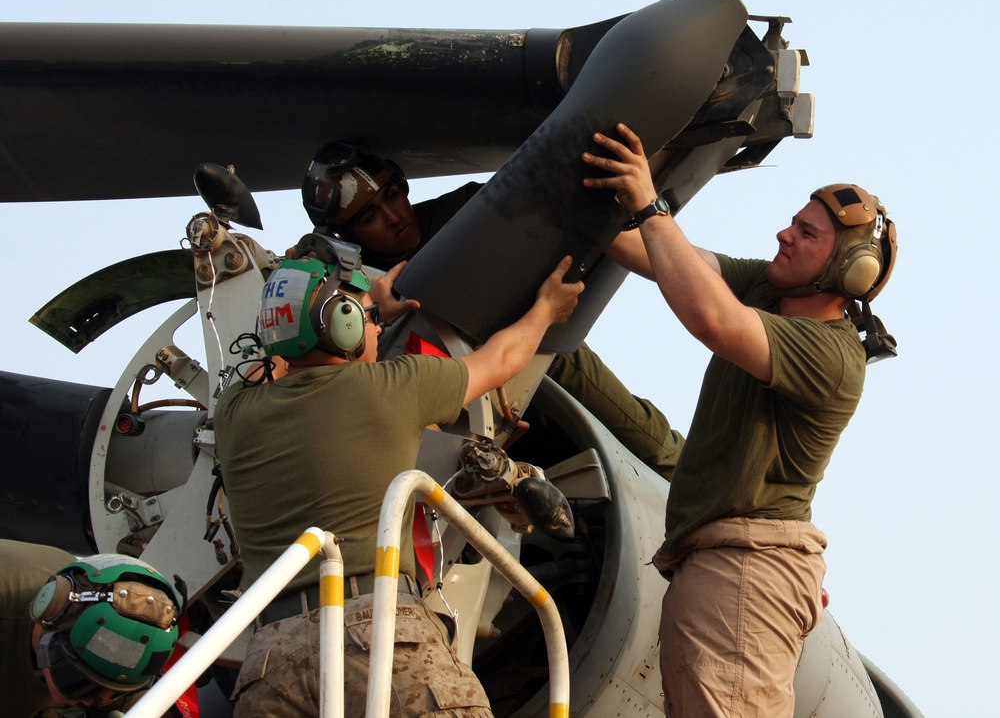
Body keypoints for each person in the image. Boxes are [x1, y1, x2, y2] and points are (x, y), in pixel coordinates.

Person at [580, 123, 897, 716]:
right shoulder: (768, 287)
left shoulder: (831, 354)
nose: (784, 234)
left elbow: (713, 320)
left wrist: (650, 204)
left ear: (848, 270)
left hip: (747, 572)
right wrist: (596, 203)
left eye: (806, 233)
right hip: (718, 568)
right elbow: (668, 258)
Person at [213, 244, 583, 717]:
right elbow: (502, 358)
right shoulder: (395, 386)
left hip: (270, 659)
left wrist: (338, 320)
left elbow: (268, 364)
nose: (374, 324)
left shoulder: (232, 415)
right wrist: (547, 309)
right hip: (380, 633)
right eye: (365, 316)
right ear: (341, 322)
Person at [298, 141, 687, 471]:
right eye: (370, 217)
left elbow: (574, 227)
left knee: (656, 449)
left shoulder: (473, 213)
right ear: (348, 237)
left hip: (545, 360)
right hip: (454, 423)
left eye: (392, 197)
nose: (393, 217)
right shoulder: (351, 295)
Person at [0, 539, 183, 717]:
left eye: (116, 692)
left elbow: (140, 702)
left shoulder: (84, 588)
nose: (97, 701)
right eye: (80, 684)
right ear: (52, 645)